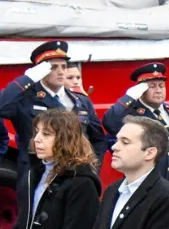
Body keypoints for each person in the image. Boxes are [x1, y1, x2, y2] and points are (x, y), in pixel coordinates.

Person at [0, 40, 106, 176]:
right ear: (40, 71)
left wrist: (92, 169)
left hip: (75, 176)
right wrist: (27, 79)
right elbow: (2, 106)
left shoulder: (81, 100)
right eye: (53, 67)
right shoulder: (25, 99)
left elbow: (98, 139)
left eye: (64, 66)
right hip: (37, 175)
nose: (61, 72)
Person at [102, 62, 169, 200]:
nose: (158, 90)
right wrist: (129, 97)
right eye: (152, 86)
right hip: (146, 190)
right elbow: (109, 122)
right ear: (141, 90)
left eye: (161, 85)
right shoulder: (132, 116)